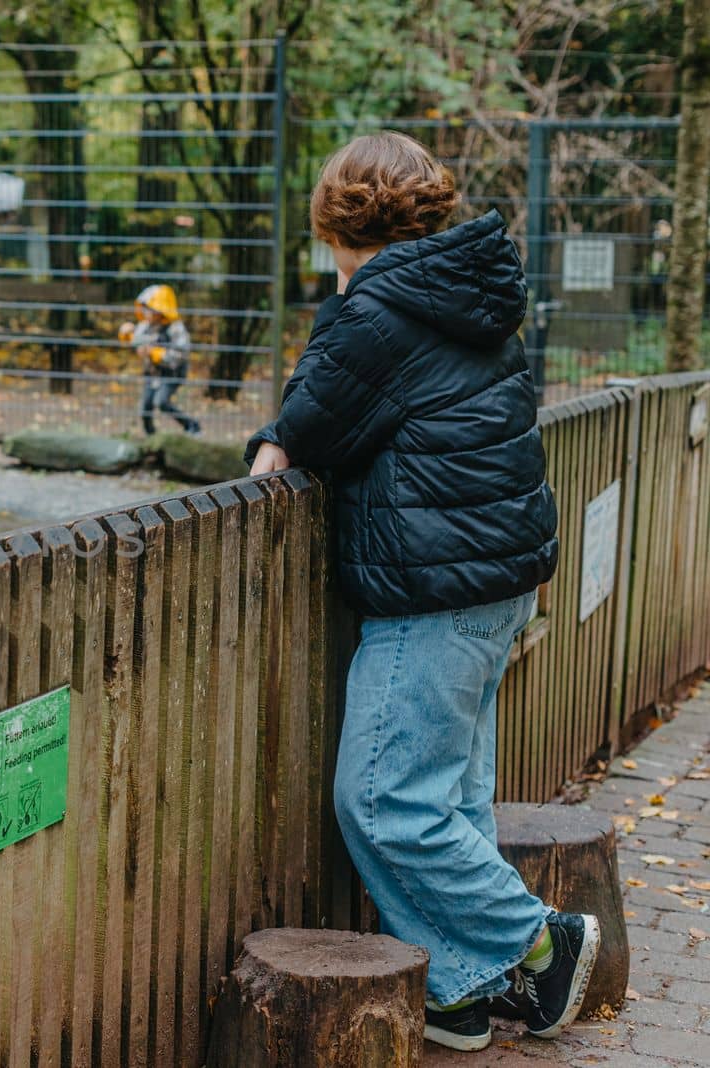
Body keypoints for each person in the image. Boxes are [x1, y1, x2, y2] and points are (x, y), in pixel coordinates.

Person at [245, 132, 595, 1053]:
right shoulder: (468, 292)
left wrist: (276, 437)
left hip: (432, 589)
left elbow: (320, 419)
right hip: (493, 579)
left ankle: (539, 943)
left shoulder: (375, 310)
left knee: (383, 799)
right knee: (449, 799)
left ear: (332, 226)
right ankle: (461, 990)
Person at [119, 284, 200, 436]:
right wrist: (126, 333)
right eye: (144, 308)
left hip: (172, 374)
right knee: (145, 407)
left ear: (161, 310)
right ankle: (151, 437)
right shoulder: (146, 325)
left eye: (148, 309)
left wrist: (155, 353)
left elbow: (180, 355)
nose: (145, 312)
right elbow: (136, 340)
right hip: (152, 374)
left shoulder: (176, 328)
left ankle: (192, 425)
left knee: (161, 402)